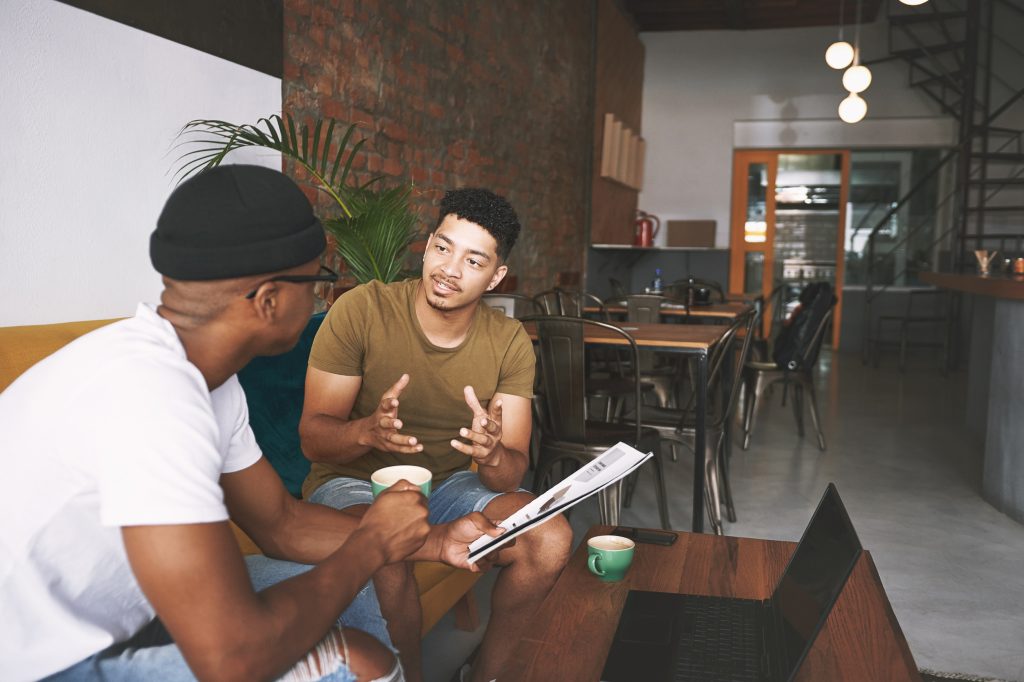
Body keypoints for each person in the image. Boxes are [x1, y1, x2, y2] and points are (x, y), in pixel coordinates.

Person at [0, 165, 498, 682]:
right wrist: (370, 544)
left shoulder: (203, 379)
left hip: (115, 616)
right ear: (269, 300)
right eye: (316, 281)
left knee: (356, 590)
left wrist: (436, 540)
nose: (319, 300)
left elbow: (281, 523)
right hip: (34, 664)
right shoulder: (152, 398)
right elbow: (233, 657)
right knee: (355, 661)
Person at [299, 188, 573, 682]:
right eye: (443, 248)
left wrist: (492, 453)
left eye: (474, 260)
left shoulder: (508, 340)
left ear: (496, 277)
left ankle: (488, 674)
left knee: (549, 537)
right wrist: (366, 432)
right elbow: (313, 439)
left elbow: (510, 473)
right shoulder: (363, 309)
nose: (449, 269)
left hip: (447, 484)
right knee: (388, 548)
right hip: (351, 484)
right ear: (426, 247)